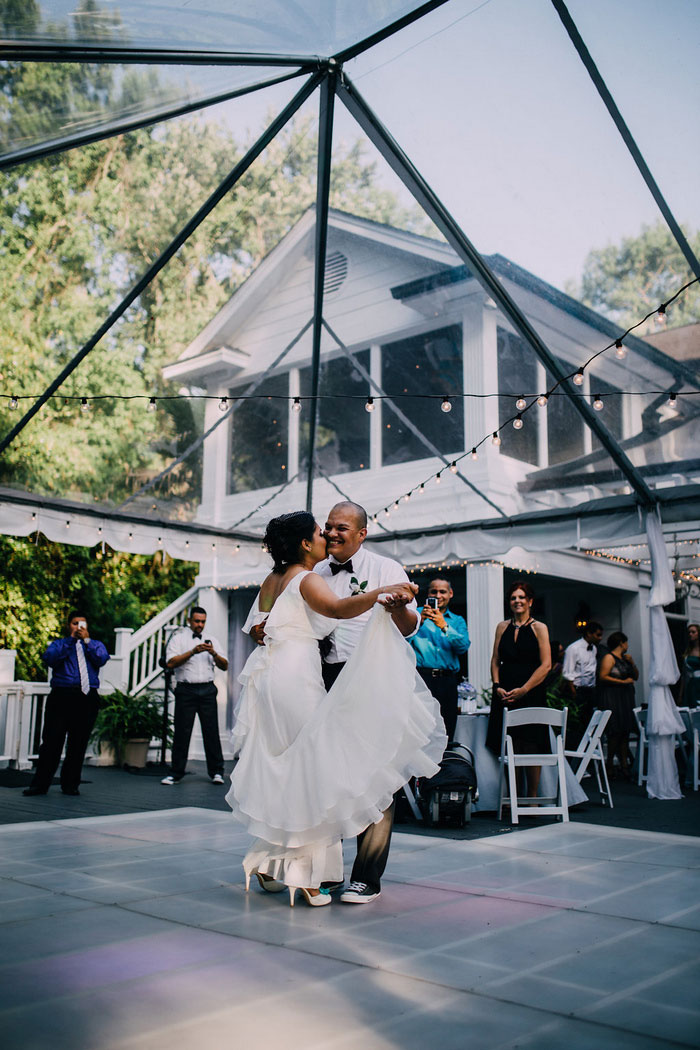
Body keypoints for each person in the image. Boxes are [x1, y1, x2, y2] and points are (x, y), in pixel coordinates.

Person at [226, 510, 446, 908]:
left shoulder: (384, 566)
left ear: (361, 533)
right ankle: (310, 874)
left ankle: (364, 877)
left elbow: (410, 625)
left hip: (365, 676)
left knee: (372, 771)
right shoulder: (312, 572)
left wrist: (395, 603)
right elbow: (333, 610)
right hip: (318, 676)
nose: (330, 533)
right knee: (319, 771)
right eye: (324, 528)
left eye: (339, 528)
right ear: (308, 541)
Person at [23, 610, 110, 797]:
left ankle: (70, 784)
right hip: (62, 696)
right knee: (52, 741)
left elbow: (101, 659)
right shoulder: (59, 644)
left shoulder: (95, 645)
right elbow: (50, 659)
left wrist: (86, 641)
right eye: (75, 623)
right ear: (68, 625)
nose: (78, 627)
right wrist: (71, 641)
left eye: (82, 623)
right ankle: (40, 785)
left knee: (77, 743)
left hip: (86, 697)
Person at [485, 580, 552, 799]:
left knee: (531, 743)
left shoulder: (539, 628)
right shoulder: (502, 627)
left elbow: (546, 665)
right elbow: (495, 660)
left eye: (522, 597)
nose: (517, 601)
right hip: (504, 693)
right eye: (513, 598)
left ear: (530, 601)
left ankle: (531, 797)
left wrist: (524, 689)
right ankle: (513, 796)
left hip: (531, 692)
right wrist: (496, 686)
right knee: (508, 743)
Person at [161, 607, 227, 785]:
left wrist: (213, 652)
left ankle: (217, 772)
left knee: (211, 732)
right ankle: (176, 772)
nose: (200, 625)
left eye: (203, 622)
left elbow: (224, 665)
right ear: (189, 620)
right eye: (197, 621)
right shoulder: (178, 639)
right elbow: (170, 662)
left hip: (207, 690)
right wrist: (193, 652)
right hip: (186, 690)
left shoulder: (212, 640)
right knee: (182, 732)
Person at [410, 578, 470, 741]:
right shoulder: (415, 614)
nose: (438, 595)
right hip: (422, 679)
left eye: (442, 591)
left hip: (447, 681)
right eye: (433, 591)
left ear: (450, 594)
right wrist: (419, 622)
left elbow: (463, 647)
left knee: (446, 728)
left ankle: (445, 766)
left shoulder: (457, 621)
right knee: (420, 729)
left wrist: (444, 626)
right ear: (428, 594)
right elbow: (402, 642)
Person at [598, 631, 638, 780]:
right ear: (621, 643)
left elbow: (635, 676)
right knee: (615, 731)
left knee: (625, 730)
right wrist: (622, 682)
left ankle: (624, 764)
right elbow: (602, 676)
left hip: (626, 697)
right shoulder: (609, 657)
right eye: (626, 642)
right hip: (613, 697)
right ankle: (609, 764)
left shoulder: (626, 659)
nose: (627, 645)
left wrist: (632, 662)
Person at [562, 621, 604, 727]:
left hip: (590, 689)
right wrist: (574, 692)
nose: (600, 638)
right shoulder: (573, 648)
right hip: (577, 690)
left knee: (591, 721)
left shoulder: (593, 648)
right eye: (598, 635)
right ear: (589, 634)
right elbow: (568, 672)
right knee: (579, 721)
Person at [679, 623, 700, 709]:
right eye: (689, 632)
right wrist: (680, 694)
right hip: (691, 685)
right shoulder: (688, 650)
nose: (690, 634)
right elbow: (684, 675)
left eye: (693, 632)